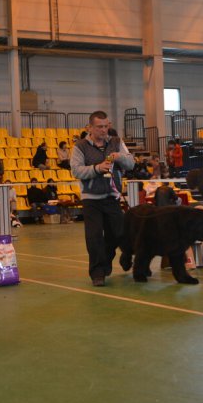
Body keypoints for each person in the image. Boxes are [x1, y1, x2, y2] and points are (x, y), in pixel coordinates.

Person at [70, 110, 134, 286]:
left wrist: (120, 156)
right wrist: (97, 168)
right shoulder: (80, 146)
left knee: (119, 234)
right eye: (99, 127)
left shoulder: (116, 142)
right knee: (94, 237)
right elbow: (76, 170)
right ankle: (97, 273)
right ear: (90, 127)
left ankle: (104, 264)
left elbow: (131, 163)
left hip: (112, 197)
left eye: (106, 126)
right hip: (91, 200)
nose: (103, 130)